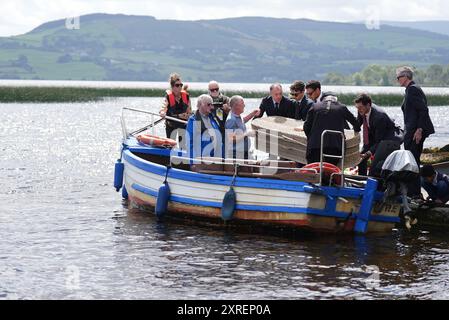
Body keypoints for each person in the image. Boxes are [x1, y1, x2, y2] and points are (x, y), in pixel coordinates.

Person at [397, 66, 435, 197]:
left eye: (399, 77)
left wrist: (419, 130)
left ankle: (415, 194)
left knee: (413, 162)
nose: (397, 80)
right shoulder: (410, 90)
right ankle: (414, 192)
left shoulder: (413, 89)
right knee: (412, 161)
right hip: (411, 132)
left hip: (415, 133)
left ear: (406, 77)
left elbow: (423, 110)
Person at [303, 92, 361, 165]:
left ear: (323, 99)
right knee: (331, 168)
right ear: (336, 99)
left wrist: (311, 138)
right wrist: (356, 130)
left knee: (314, 168)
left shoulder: (315, 106)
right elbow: (355, 123)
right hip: (335, 146)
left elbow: (306, 126)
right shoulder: (342, 107)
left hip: (315, 146)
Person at [354, 93, 403, 176]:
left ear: (368, 105)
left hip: (390, 139)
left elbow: (379, 141)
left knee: (374, 167)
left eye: (360, 107)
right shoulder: (362, 110)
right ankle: (361, 181)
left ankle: (375, 185)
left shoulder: (379, 117)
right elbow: (358, 124)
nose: (359, 110)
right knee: (360, 159)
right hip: (377, 137)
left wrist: (368, 153)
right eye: (357, 107)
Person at [186, 94, 223, 163]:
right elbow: (190, 143)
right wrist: (193, 162)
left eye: (212, 104)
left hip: (216, 158)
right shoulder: (193, 120)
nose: (211, 107)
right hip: (201, 160)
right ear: (200, 105)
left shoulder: (213, 118)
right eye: (208, 105)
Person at [160, 73, 191, 149]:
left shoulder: (186, 97)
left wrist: (187, 115)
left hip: (182, 124)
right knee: (170, 146)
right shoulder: (168, 97)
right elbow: (163, 108)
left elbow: (189, 111)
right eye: (177, 85)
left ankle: (183, 159)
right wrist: (162, 113)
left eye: (181, 85)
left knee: (183, 146)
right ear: (172, 86)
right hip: (171, 124)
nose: (180, 87)